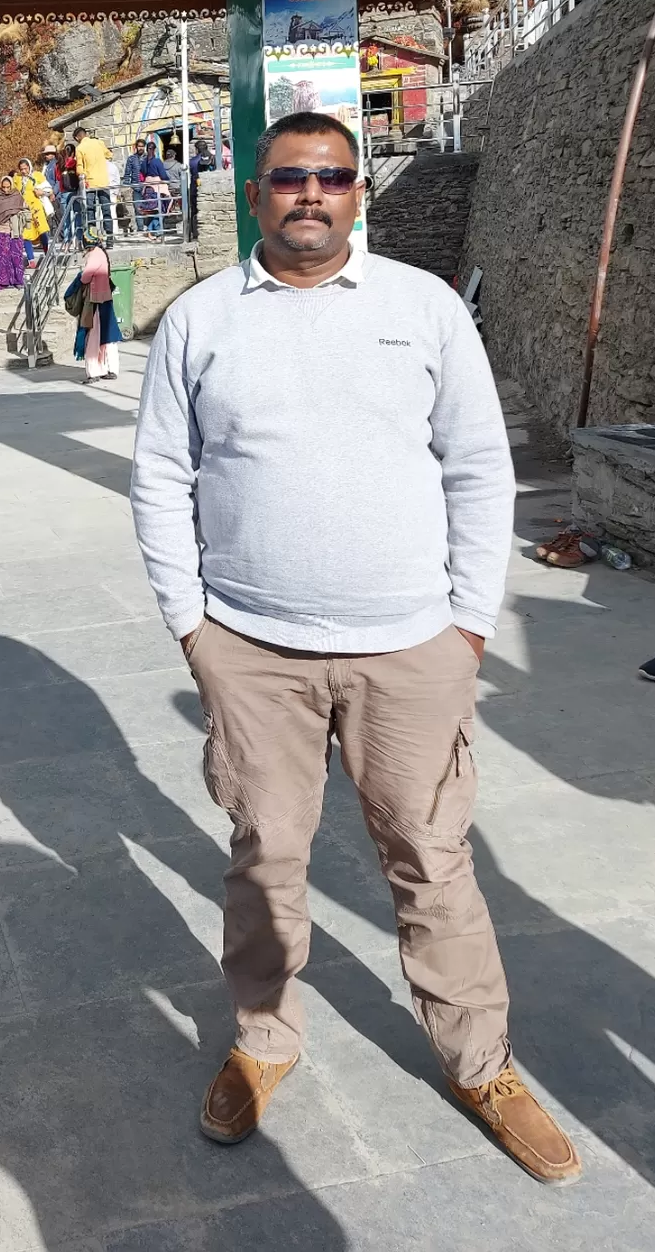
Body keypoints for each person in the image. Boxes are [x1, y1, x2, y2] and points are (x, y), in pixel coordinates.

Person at [129, 111, 580, 1184]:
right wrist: (193, 629)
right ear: (256, 193)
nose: (311, 194)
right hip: (251, 649)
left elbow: (478, 465)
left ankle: (483, 1063)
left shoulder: (421, 310)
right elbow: (159, 476)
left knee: (432, 860)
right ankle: (263, 1040)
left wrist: (470, 623)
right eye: (290, 177)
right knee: (266, 859)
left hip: (412, 648)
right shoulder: (200, 322)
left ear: (358, 192)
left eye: (333, 175)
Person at [73, 237, 121, 382]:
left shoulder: (94, 255)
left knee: (93, 337)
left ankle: (93, 372)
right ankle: (111, 368)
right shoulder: (102, 253)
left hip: (95, 302)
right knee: (108, 337)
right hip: (106, 298)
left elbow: (86, 277)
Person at [73, 126, 114, 243]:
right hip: (103, 181)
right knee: (106, 210)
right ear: (86, 134)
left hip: (90, 183)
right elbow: (109, 155)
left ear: (77, 138)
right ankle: (110, 239)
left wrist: (82, 173)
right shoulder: (99, 142)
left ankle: (93, 239)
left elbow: (79, 169)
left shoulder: (80, 148)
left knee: (91, 211)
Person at [0, 175, 28, 290]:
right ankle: (1, 282)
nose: (6, 190)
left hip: (15, 231)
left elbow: (25, 209)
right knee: (1, 258)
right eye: (4, 187)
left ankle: (17, 280)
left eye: (8, 187)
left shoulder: (17, 196)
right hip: (1, 231)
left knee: (16, 257)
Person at [16, 159, 49, 263]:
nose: (24, 171)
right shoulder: (17, 179)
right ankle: (31, 260)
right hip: (24, 209)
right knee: (26, 234)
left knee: (42, 231)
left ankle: (47, 254)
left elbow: (49, 189)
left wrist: (42, 192)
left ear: (29, 167)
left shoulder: (37, 176)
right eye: (22, 169)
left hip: (37, 208)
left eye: (25, 168)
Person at [140, 138, 170, 237]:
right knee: (162, 208)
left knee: (154, 210)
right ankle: (154, 230)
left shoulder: (144, 162)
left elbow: (143, 173)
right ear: (155, 150)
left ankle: (153, 230)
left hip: (147, 187)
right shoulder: (157, 161)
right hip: (157, 187)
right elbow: (163, 175)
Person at [121, 139, 147, 232]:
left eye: (142, 146)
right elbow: (127, 173)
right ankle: (140, 228)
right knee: (138, 207)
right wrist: (126, 186)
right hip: (136, 187)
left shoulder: (148, 158)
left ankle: (150, 227)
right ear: (136, 147)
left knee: (151, 206)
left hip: (147, 187)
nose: (141, 148)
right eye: (139, 146)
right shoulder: (131, 159)